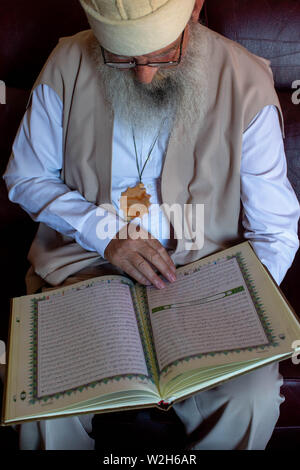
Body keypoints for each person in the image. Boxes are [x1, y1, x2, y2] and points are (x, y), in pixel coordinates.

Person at [3, 0, 300, 450]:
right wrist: (106, 236)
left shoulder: (245, 81)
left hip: (203, 275)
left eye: (160, 54)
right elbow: (25, 176)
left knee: (252, 395)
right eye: (122, 57)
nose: (143, 74)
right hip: (85, 270)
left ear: (195, 10)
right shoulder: (67, 62)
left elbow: (275, 232)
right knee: (47, 398)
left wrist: (233, 305)